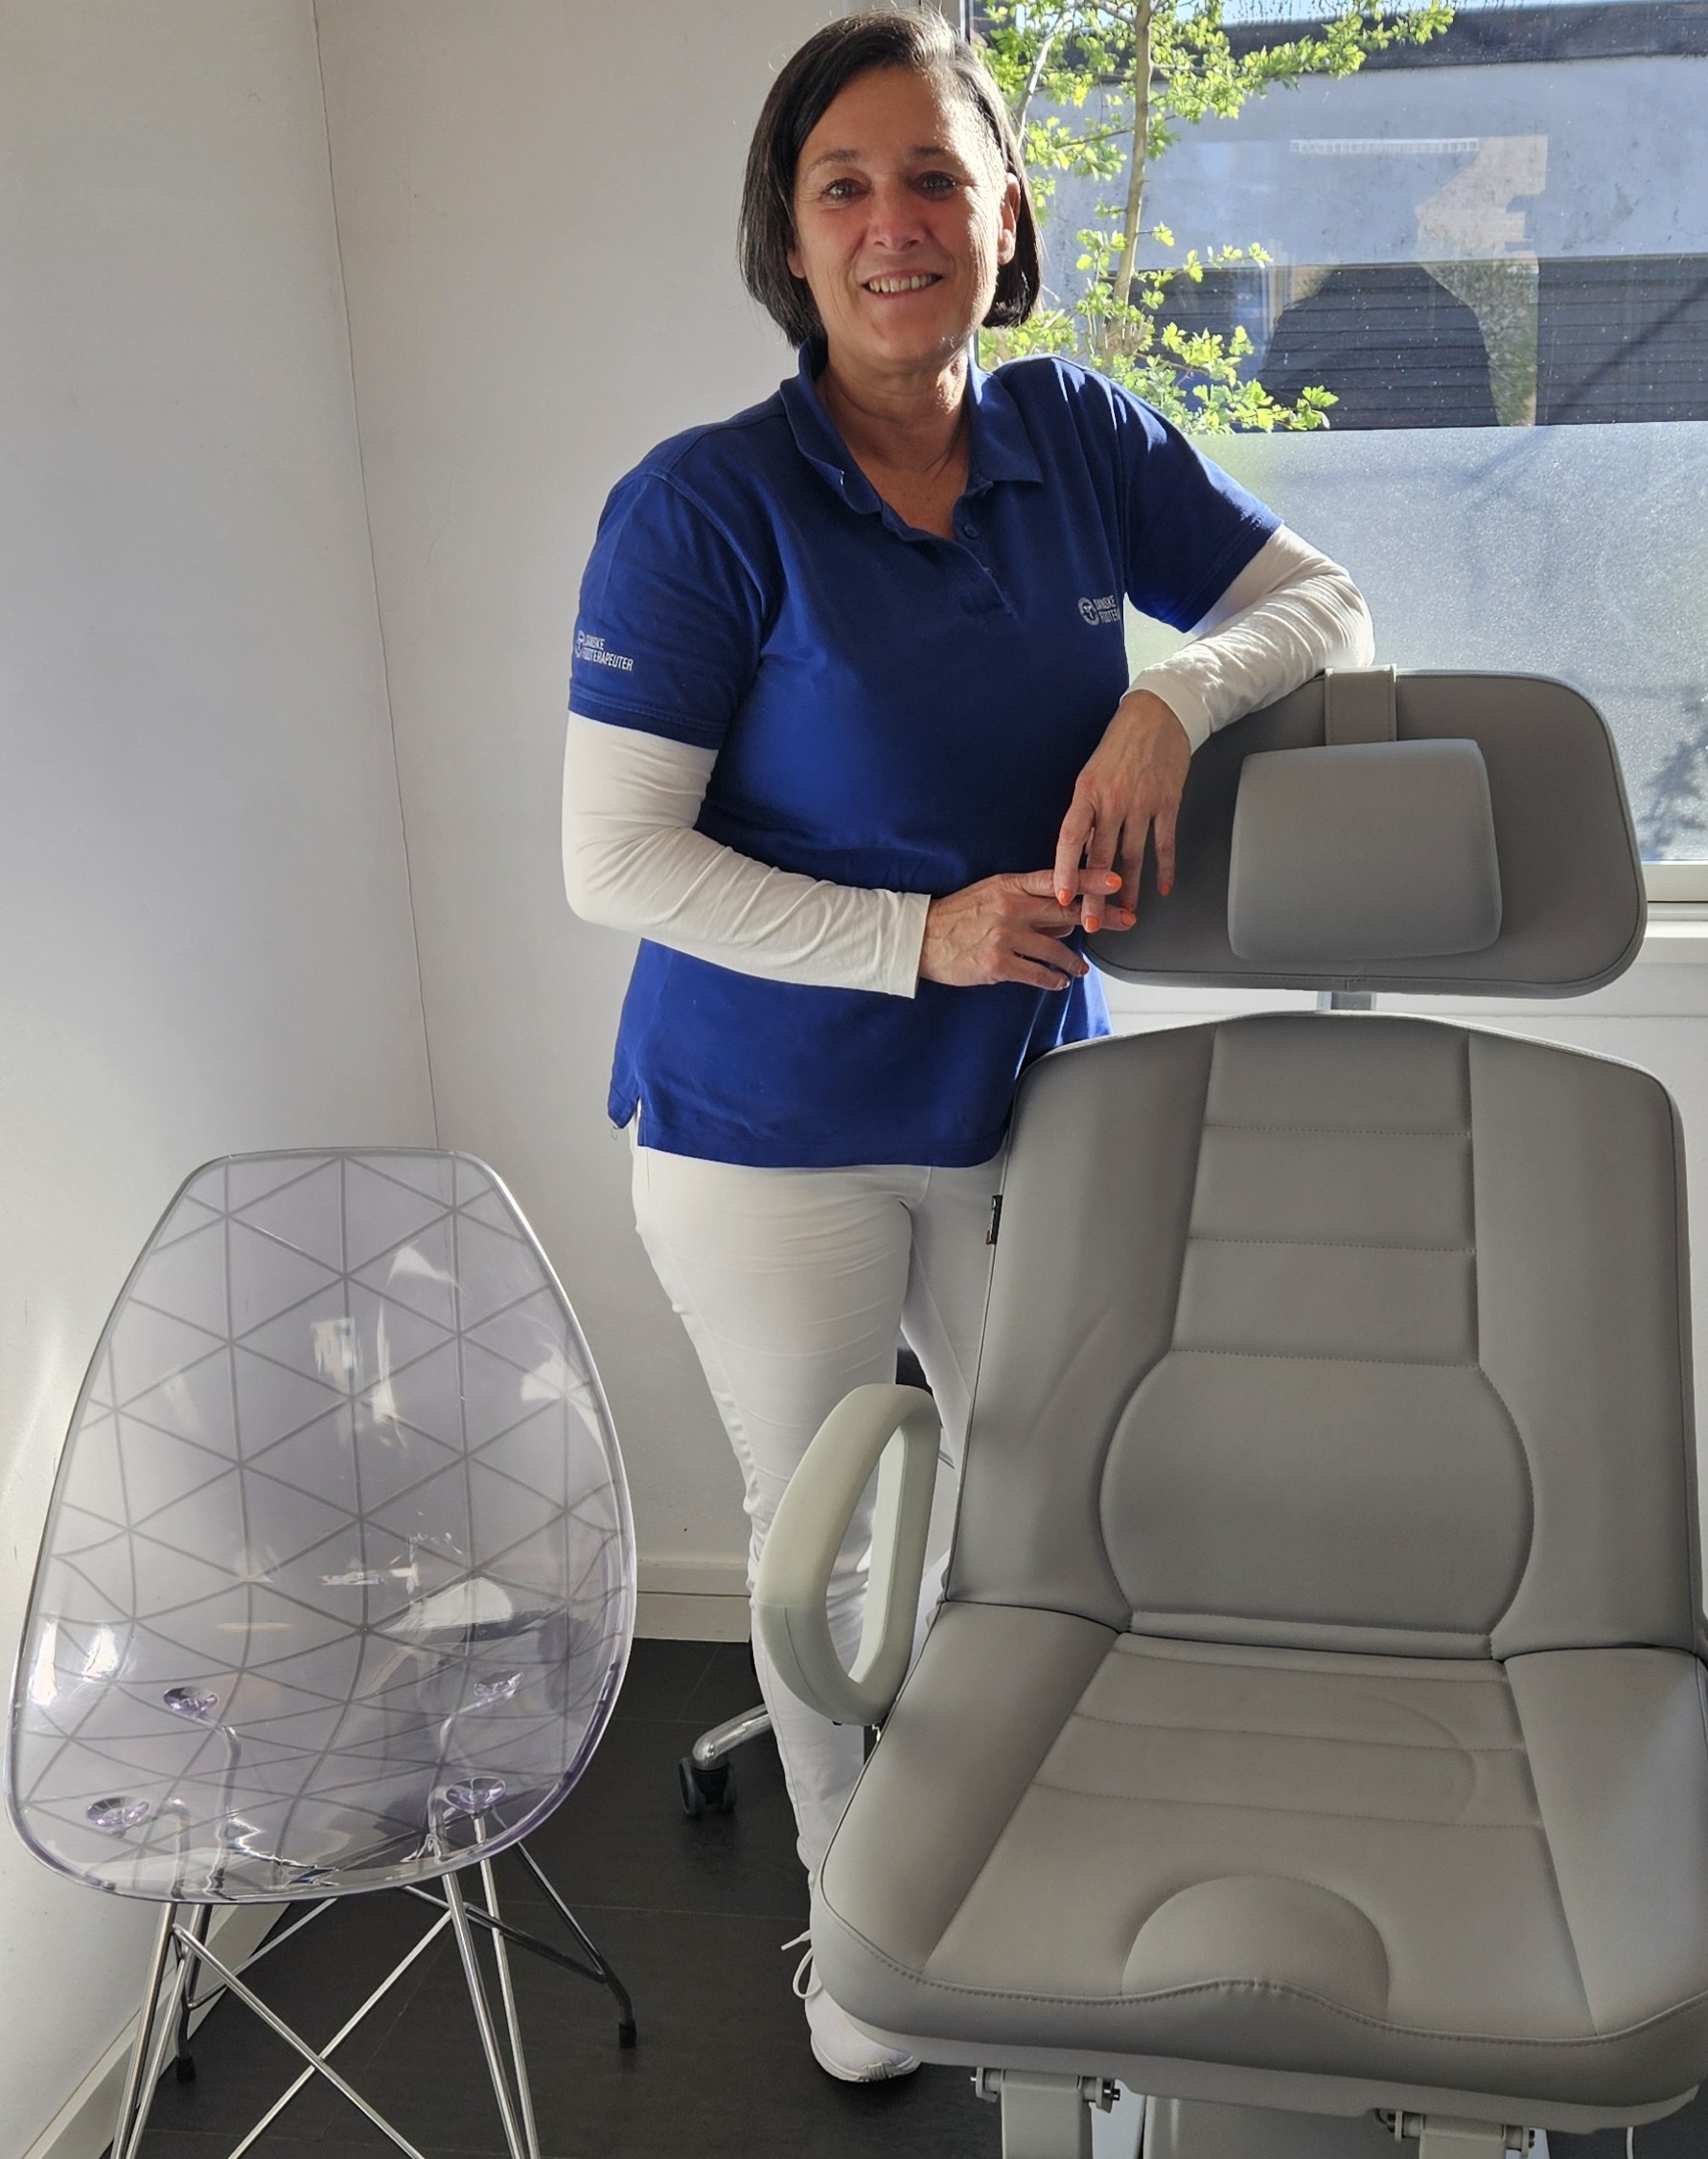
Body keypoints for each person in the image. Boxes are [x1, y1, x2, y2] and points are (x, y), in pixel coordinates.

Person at [560, 9, 1373, 2083]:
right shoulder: (705, 505)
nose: (895, 221)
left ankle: (1045, 1852)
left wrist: (1168, 699)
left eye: (936, 174)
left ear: (1007, 211)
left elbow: (1325, 606)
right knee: (830, 1541)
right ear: (789, 234)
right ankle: (862, 1938)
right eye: (844, 185)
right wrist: (910, 935)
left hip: (1024, 1100)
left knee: (1058, 1503)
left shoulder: (1076, 439)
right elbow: (614, 861)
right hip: (771, 1130)